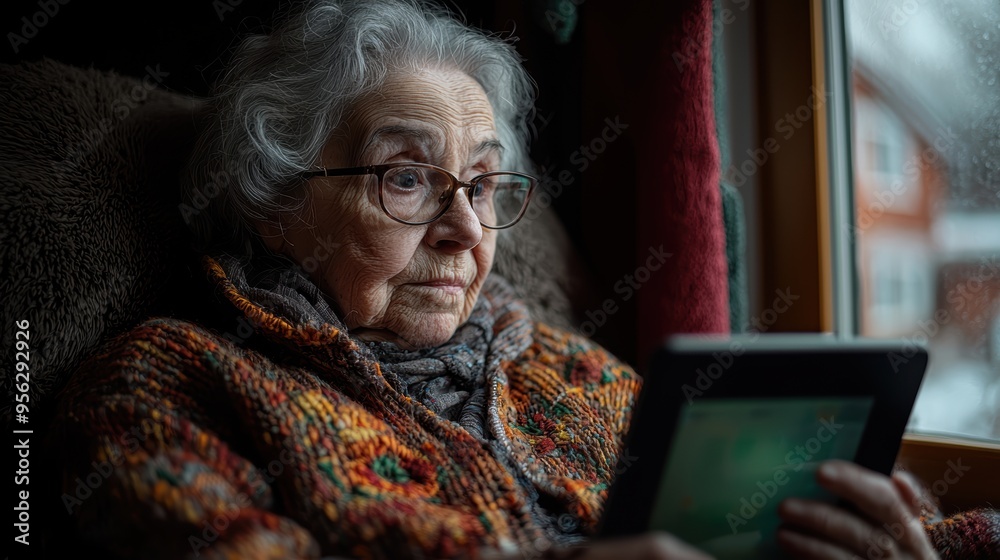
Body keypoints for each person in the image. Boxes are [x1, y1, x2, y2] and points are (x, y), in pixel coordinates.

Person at [44, 0, 945, 558]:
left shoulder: (567, 368)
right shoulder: (168, 380)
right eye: (406, 178)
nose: (469, 229)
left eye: (481, 184)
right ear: (272, 199)